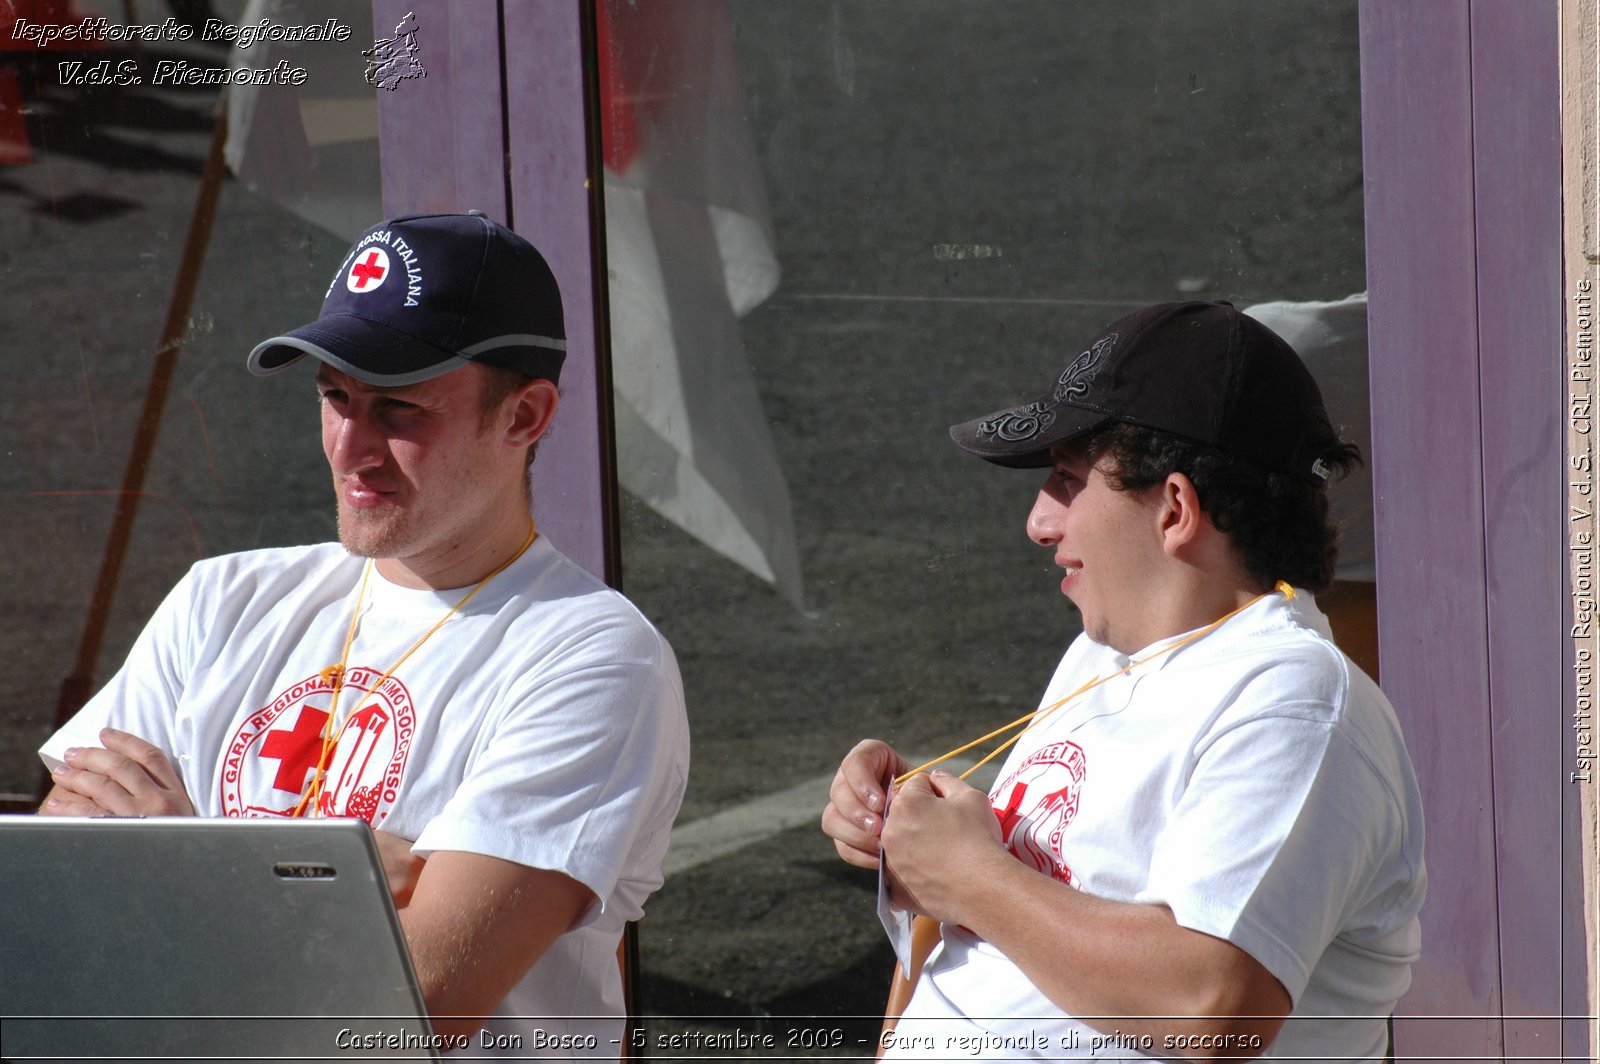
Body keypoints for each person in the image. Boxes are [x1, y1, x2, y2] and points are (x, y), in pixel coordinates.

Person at [38, 211, 690, 1058]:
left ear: (525, 416)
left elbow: (412, 1007)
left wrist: (174, 865)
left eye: (399, 409)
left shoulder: (595, 657)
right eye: (334, 398)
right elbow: (58, 900)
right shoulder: (222, 598)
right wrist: (322, 890)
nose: (351, 448)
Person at [822, 301, 1425, 1061]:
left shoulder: (1297, 702)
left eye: (1069, 481)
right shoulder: (1105, 656)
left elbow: (1212, 1009)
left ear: (1175, 509)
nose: (1040, 523)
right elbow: (997, 929)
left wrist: (967, 874)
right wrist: (915, 833)